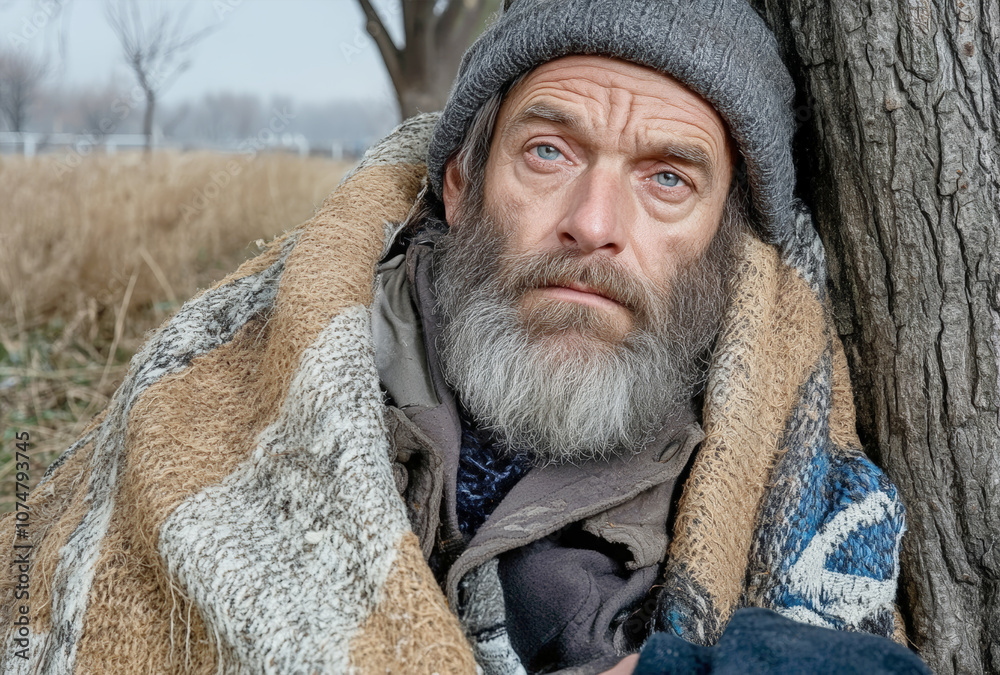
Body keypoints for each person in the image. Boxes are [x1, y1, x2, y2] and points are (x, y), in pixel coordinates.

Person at [0, 1, 927, 673]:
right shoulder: (240, 377)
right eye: (549, 151)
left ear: (728, 256)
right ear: (459, 185)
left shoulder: (797, 490)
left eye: (669, 179)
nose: (594, 222)